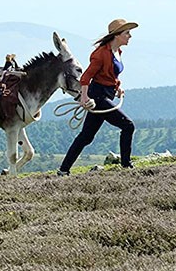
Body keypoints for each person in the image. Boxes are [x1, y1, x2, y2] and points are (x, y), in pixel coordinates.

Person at [58, 18, 138, 175]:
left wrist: (117, 88)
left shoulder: (117, 52)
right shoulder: (100, 54)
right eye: (127, 33)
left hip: (106, 94)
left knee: (86, 137)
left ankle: (63, 170)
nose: (130, 36)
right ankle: (126, 166)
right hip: (98, 97)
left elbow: (109, 75)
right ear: (117, 35)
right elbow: (86, 77)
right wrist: (84, 98)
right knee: (128, 126)